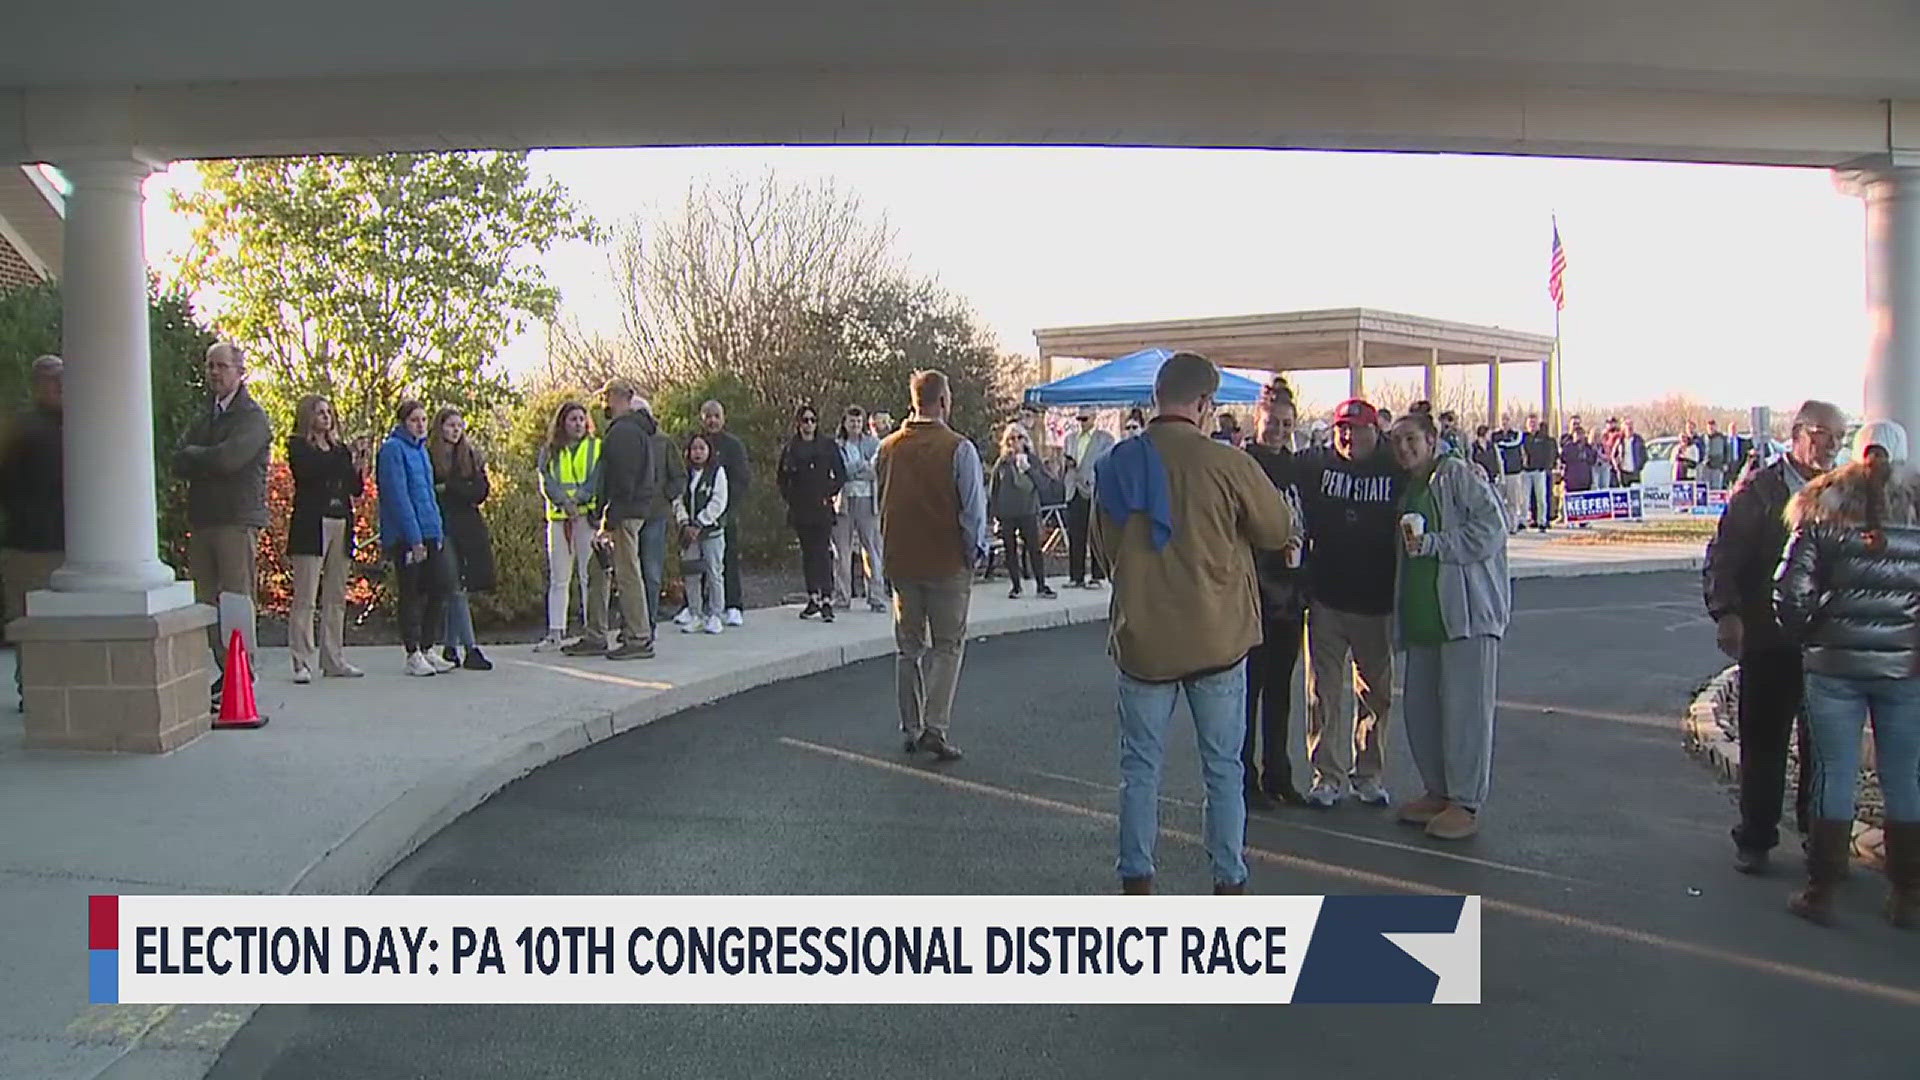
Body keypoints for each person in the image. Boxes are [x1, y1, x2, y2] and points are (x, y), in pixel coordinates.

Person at [1094, 352, 1294, 895]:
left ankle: (1136, 876)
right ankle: (1228, 880)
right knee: (1223, 770)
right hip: (1217, 638)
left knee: (1139, 768)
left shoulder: (1116, 464)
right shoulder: (1228, 465)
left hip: (1143, 640)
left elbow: (1102, 548)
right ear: (1204, 404)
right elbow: (1277, 529)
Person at [1774, 419, 1920, 928]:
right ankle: (1908, 894)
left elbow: (1791, 592)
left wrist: (1811, 632)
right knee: (1904, 777)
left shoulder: (1820, 506)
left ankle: (1822, 890)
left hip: (1833, 666)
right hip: (1903, 668)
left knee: (1832, 775)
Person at [1705, 399, 1844, 874]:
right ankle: (1757, 836)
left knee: (1822, 746)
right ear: (1799, 433)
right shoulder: (1761, 492)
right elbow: (1724, 557)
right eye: (1825, 434)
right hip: (1768, 639)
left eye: (1840, 438)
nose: (1833, 446)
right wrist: (1727, 613)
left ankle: (1817, 837)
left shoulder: (1840, 493)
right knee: (1764, 743)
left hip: (1825, 641)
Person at [1388, 413, 1511, 840]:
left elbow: (1493, 530)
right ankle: (1438, 791)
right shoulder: (1410, 489)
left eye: (1411, 439)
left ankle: (1465, 801)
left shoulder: (1457, 476)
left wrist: (1436, 544)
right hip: (1423, 619)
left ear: (1432, 439)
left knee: (1465, 712)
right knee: (1423, 711)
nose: (1403, 448)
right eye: (1396, 441)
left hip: (1466, 617)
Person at [1296, 398, 1404, 809]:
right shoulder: (1317, 465)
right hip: (1326, 597)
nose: (1348, 436)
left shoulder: (1393, 468)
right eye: (1342, 428)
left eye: (1357, 429)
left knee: (1375, 695)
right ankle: (1326, 776)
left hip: (1374, 602)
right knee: (1322, 692)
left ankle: (1369, 774)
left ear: (1375, 432)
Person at [876, 370, 987, 762]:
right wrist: (976, 552)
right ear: (943, 401)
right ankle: (934, 726)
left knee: (908, 648)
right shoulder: (959, 448)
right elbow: (973, 509)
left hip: (902, 560)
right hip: (946, 560)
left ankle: (910, 726)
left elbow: (880, 502)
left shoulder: (887, 448)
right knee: (947, 645)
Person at [173, 342, 272, 692]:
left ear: (239, 372)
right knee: (207, 599)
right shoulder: (205, 414)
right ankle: (223, 669)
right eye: (210, 366)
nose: (214, 373)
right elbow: (178, 459)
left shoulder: (252, 417)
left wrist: (200, 456)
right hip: (203, 519)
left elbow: (231, 459)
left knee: (235, 597)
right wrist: (206, 457)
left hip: (236, 518)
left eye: (221, 366)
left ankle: (242, 670)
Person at [1244, 386, 1309, 809]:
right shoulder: (1244, 464)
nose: (1278, 432)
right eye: (1272, 424)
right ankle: (1242, 776)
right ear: (1257, 422)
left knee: (1281, 690)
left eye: (1286, 425)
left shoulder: (1297, 468)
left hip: (1290, 591)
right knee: (1248, 689)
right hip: (1251, 592)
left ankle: (1278, 772)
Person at [284, 394, 366, 683]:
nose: (326, 417)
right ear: (308, 416)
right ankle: (301, 661)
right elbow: (310, 473)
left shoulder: (339, 450)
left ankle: (333, 657)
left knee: (336, 596)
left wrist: (356, 462)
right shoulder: (299, 446)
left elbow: (355, 489)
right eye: (320, 412)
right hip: (312, 524)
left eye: (329, 412)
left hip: (340, 520)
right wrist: (342, 456)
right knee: (306, 595)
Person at [0, 356, 63, 706]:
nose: (60, 387)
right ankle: (34, 690)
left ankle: (49, 689)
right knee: (27, 621)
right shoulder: (22, 429)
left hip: (63, 544)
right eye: (53, 380)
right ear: (38, 385)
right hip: (27, 545)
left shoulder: (76, 427)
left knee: (52, 623)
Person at [376, 401, 456, 677]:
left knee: (440, 586)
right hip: (407, 536)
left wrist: (437, 530)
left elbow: (428, 495)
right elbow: (398, 497)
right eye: (414, 420)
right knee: (411, 592)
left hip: (431, 531)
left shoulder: (422, 451)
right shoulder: (392, 450)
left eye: (423, 420)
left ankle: (428, 645)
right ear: (403, 422)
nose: (420, 425)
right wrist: (414, 538)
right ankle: (413, 652)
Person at [593, 378, 659, 660]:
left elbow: (622, 480)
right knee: (601, 568)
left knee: (627, 573)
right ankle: (597, 633)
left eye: (607, 398)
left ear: (620, 398)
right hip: (634, 509)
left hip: (625, 511)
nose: (603, 404)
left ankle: (638, 636)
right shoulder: (636, 431)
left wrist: (609, 519)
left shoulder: (623, 433)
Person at [537, 402, 608, 653]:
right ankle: (555, 631)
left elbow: (597, 480)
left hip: (586, 519)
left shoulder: (597, 448)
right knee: (559, 577)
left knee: (588, 576)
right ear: (562, 423)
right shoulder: (549, 451)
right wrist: (564, 502)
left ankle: (592, 630)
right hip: (559, 519)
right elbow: (547, 481)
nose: (577, 424)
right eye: (572, 419)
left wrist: (577, 501)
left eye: (581, 419)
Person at [429, 407, 495, 672]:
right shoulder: (430, 456)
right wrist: (456, 489)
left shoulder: (469, 456)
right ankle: (470, 648)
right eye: (450, 425)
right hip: (443, 526)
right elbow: (433, 492)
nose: (455, 431)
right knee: (453, 586)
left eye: (459, 426)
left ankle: (450, 646)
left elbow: (479, 491)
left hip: (468, 527)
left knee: (461, 587)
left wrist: (453, 488)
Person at [777, 404, 847, 622]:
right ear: (798, 423)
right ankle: (813, 597)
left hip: (822, 506)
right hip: (801, 508)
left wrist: (829, 492)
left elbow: (841, 474)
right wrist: (791, 497)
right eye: (805, 420)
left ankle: (827, 598)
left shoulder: (827, 446)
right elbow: (782, 478)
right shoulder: (791, 448)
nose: (809, 424)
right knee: (808, 554)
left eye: (812, 420)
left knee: (823, 553)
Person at [630, 397, 685, 633]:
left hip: (654, 516)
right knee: (629, 575)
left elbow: (679, 476)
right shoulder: (624, 441)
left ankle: (648, 624)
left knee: (651, 574)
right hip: (629, 516)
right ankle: (632, 624)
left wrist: (665, 496)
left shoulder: (663, 442)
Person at [989, 423, 1057, 600]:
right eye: (1011, 438)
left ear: (1025, 440)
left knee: (1034, 549)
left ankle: (1041, 585)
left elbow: (1043, 485)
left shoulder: (1032, 460)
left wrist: (1028, 469)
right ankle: (1016, 586)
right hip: (1007, 513)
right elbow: (993, 489)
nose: (1015, 442)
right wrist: (995, 514)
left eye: (1019, 437)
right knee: (1010, 550)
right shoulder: (1002, 463)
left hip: (1028, 511)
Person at [699, 401, 752, 626]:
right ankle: (695, 606)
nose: (712, 420)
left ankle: (733, 605)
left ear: (723, 418)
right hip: (699, 514)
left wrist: (726, 508)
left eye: (716, 416)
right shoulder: (697, 444)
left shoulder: (733, 446)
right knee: (697, 561)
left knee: (727, 558)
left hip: (725, 513)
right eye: (708, 416)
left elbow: (741, 480)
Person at [830, 405, 887, 613]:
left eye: (858, 421)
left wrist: (858, 469)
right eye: (851, 421)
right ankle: (843, 596)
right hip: (844, 503)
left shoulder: (873, 443)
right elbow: (840, 471)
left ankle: (876, 596)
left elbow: (875, 470)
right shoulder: (837, 446)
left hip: (867, 500)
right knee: (841, 551)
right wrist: (860, 467)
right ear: (844, 423)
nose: (855, 425)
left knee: (871, 549)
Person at [675, 432, 731, 635]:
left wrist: (701, 521)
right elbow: (678, 499)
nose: (697, 453)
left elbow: (719, 501)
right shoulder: (685, 474)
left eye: (702, 448)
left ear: (709, 451)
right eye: (694, 449)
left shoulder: (717, 473)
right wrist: (684, 522)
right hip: (689, 533)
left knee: (714, 572)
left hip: (711, 532)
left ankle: (716, 614)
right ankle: (695, 613)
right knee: (691, 574)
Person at [1062, 407, 1116, 589]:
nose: (1082, 423)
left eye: (1085, 419)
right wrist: (1067, 465)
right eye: (1079, 419)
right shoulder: (1070, 439)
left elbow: (1107, 462)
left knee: (1094, 534)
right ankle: (1075, 576)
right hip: (1073, 489)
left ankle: (1097, 575)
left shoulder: (1105, 439)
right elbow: (1063, 462)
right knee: (1075, 535)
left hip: (1092, 489)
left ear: (1094, 418)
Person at [1521, 414, 1557, 531]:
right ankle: (1523, 521)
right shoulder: (1523, 438)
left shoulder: (1543, 438)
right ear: (1527, 425)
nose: (1532, 425)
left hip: (1539, 471)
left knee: (1541, 498)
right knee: (1525, 499)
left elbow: (1549, 453)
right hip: (1526, 472)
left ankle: (1542, 521)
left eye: (1534, 423)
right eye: (1530, 423)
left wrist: (1545, 467)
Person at [1491, 421, 1527, 530]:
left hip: (1513, 473)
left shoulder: (1517, 435)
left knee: (1513, 501)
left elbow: (1518, 444)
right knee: (1498, 501)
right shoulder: (1495, 436)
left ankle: (1513, 525)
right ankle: (1500, 526)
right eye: (1502, 421)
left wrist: (1503, 444)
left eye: (1507, 420)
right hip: (1500, 473)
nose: (1505, 423)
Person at [1616, 419, 1648, 486]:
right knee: (1625, 492)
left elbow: (1644, 454)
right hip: (1624, 472)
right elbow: (1613, 454)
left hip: (1635, 471)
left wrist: (1640, 465)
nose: (1629, 430)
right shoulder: (1620, 440)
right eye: (1627, 428)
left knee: (1635, 493)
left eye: (1631, 428)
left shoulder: (1638, 439)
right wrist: (1617, 464)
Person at [1704, 419, 1732, 490]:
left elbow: (1727, 451)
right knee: (1706, 487)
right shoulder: (1704, 438)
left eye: (1712, 427)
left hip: (1718, 466)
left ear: (1715, 427)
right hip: (1706, 467)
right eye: (1709, 427)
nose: (1711, 429)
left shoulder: (1722, 438)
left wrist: (1725, 463)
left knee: (1716, 488)